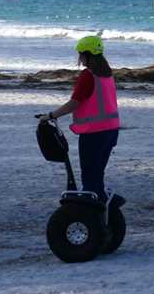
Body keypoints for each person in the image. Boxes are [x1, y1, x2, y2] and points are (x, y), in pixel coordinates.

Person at [38, 35, 120, 202]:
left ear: (87, 54)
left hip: (94, 133)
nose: (79, 58)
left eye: (81, 54)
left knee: (89, 177)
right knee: (97, 175)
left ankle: (91, 218)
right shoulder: (107, 74)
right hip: (111, 131)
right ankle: (103, 209)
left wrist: (51, 115)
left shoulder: (88, 76)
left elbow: (75, 103)